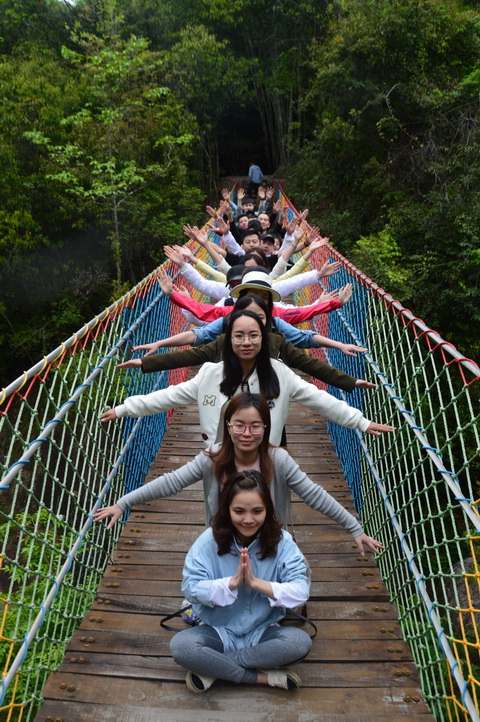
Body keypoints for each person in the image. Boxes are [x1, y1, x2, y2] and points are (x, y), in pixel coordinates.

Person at [94, 392, 384, 556]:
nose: (247, 433)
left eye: (255, 426)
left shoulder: (278, 460)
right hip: (224, 539)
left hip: (268, 538)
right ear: (228, 426)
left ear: (266, 429)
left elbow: (314, 495)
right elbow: (172, 481)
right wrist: (123, 503)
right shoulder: (213, 458)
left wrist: (354, 528)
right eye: (239, 425)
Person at [100, 307, 394, 447]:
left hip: (266, 455)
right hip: (220, 455)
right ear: (227, 340)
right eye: (238, 336)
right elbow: (169, 396)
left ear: (264, 338)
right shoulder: (210, 374)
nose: (246, 342)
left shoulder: (279, 373)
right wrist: (124, 409)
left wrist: (359, 421)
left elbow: (319, 399)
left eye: (254, 335)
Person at [169, 470, 311, 692]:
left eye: (257, 511)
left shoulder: (283, 542)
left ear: (268, 509)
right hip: (217, 630)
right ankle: (261, 678)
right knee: (182, 647)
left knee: (299, 643)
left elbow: (301, 590)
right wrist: (230, 584)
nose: (248, 520)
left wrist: (256, 584)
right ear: (227, 509)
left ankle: (213, 668)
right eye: (239, 511)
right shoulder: (208, 542)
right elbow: (190, 587)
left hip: (262, 630)